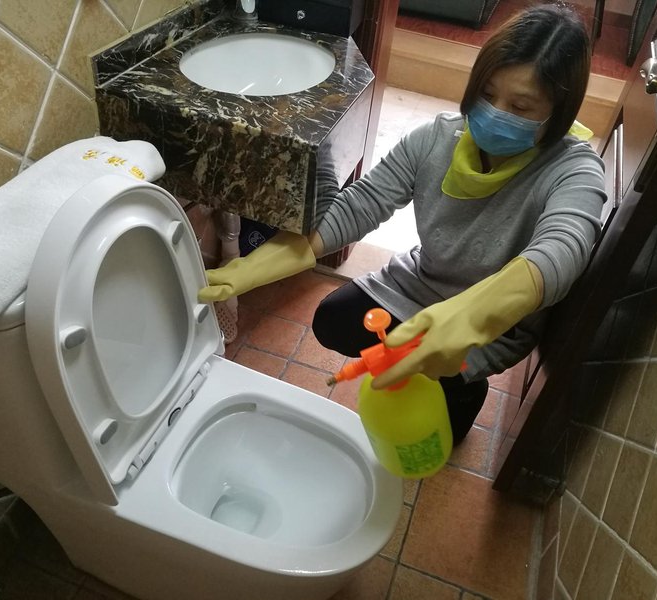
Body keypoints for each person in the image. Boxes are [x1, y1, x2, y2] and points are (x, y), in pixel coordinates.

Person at [199, 4, 606, 445]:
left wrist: (470, 317)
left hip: (494, 323)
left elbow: (562, 250)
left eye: (520, 106)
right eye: (487, 94)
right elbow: (361, 204)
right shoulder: (437, 139)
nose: (494, 113)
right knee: (333, 321)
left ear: (558, 113)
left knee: (445, 419)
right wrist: (262, 262)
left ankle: (464, 387)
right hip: (421, 283)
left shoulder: (574, 170)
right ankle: (421, 366)